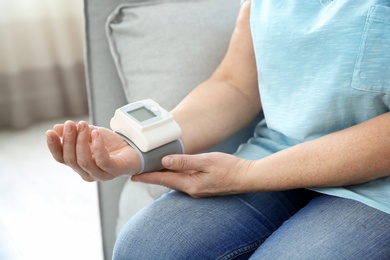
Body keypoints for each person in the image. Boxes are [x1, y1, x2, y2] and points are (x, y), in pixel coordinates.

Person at [46, 0, 390, 258]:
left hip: (379, 188)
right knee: (146, 249)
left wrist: (247, 174)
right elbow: (235, 85)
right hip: (276, 152)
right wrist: (141, 145)